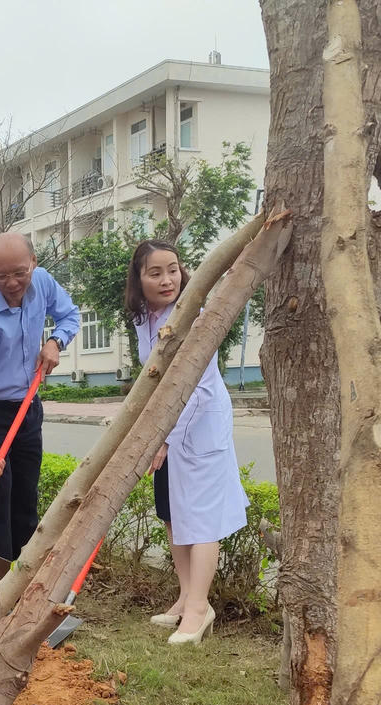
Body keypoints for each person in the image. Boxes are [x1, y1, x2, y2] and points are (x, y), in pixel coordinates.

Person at [129, 239, 248, 645]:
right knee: (171, 513)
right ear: (139, 278)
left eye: (173, 270)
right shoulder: (144, 319)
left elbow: (195, 387)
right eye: (155, 272)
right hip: (166, 430)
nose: (167, 280)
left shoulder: (195, 318)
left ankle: (198, 612)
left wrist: (164, 438)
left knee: (199, 521)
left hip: (198, 429)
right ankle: (186, 598)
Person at [0, 232, 80, 573]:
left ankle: (27, 582)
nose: (11, 283)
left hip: (27, 406)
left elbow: (70, 316)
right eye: (1, 276)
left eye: (19, 273)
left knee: (26, 495)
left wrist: (56, 341)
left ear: (34, 264)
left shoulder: (42, 282)